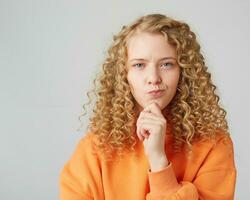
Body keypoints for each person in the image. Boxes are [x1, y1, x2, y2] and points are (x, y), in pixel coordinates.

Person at [59, 13, 237, 200]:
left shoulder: (214, 144)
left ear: (184, 72)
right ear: (123, 75)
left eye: (167, 64)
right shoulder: (95, 147)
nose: (153, 78)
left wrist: (158, 159)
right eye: (139, 65)